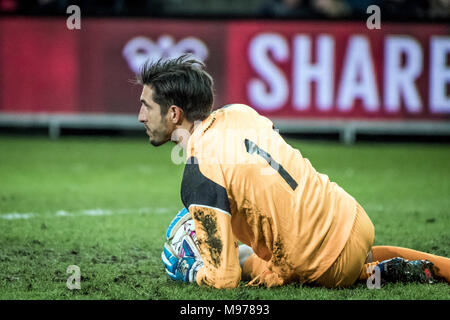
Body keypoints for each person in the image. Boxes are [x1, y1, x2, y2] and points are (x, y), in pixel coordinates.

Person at [137, 55, 450, 289]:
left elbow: (225, 280)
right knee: (348, 252)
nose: (140, 116)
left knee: (248, 263)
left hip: (328, 262)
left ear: (174, 113)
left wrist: (194, 271)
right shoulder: (240, 111)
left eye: (147, 106)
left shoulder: (198, 176)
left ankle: (371, 273)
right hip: (351, 216)